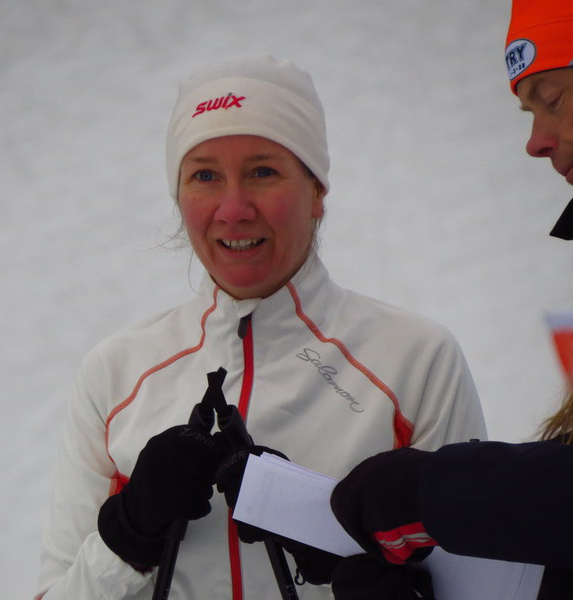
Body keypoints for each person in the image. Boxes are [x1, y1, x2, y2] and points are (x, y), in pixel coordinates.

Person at [34, 55, 487, 600]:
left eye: (263, 172)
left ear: (317, 191)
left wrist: (333, 540)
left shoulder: (414, 360)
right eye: (205, 175)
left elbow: (485, 583)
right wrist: (128, 536)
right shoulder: (115, 374)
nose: (233, 209)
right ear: (178, 197)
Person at [329, 1, 573, 598]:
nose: (535, 142)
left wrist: (433, 493)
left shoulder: (421, 349)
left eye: (554, 99)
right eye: (529, 111)